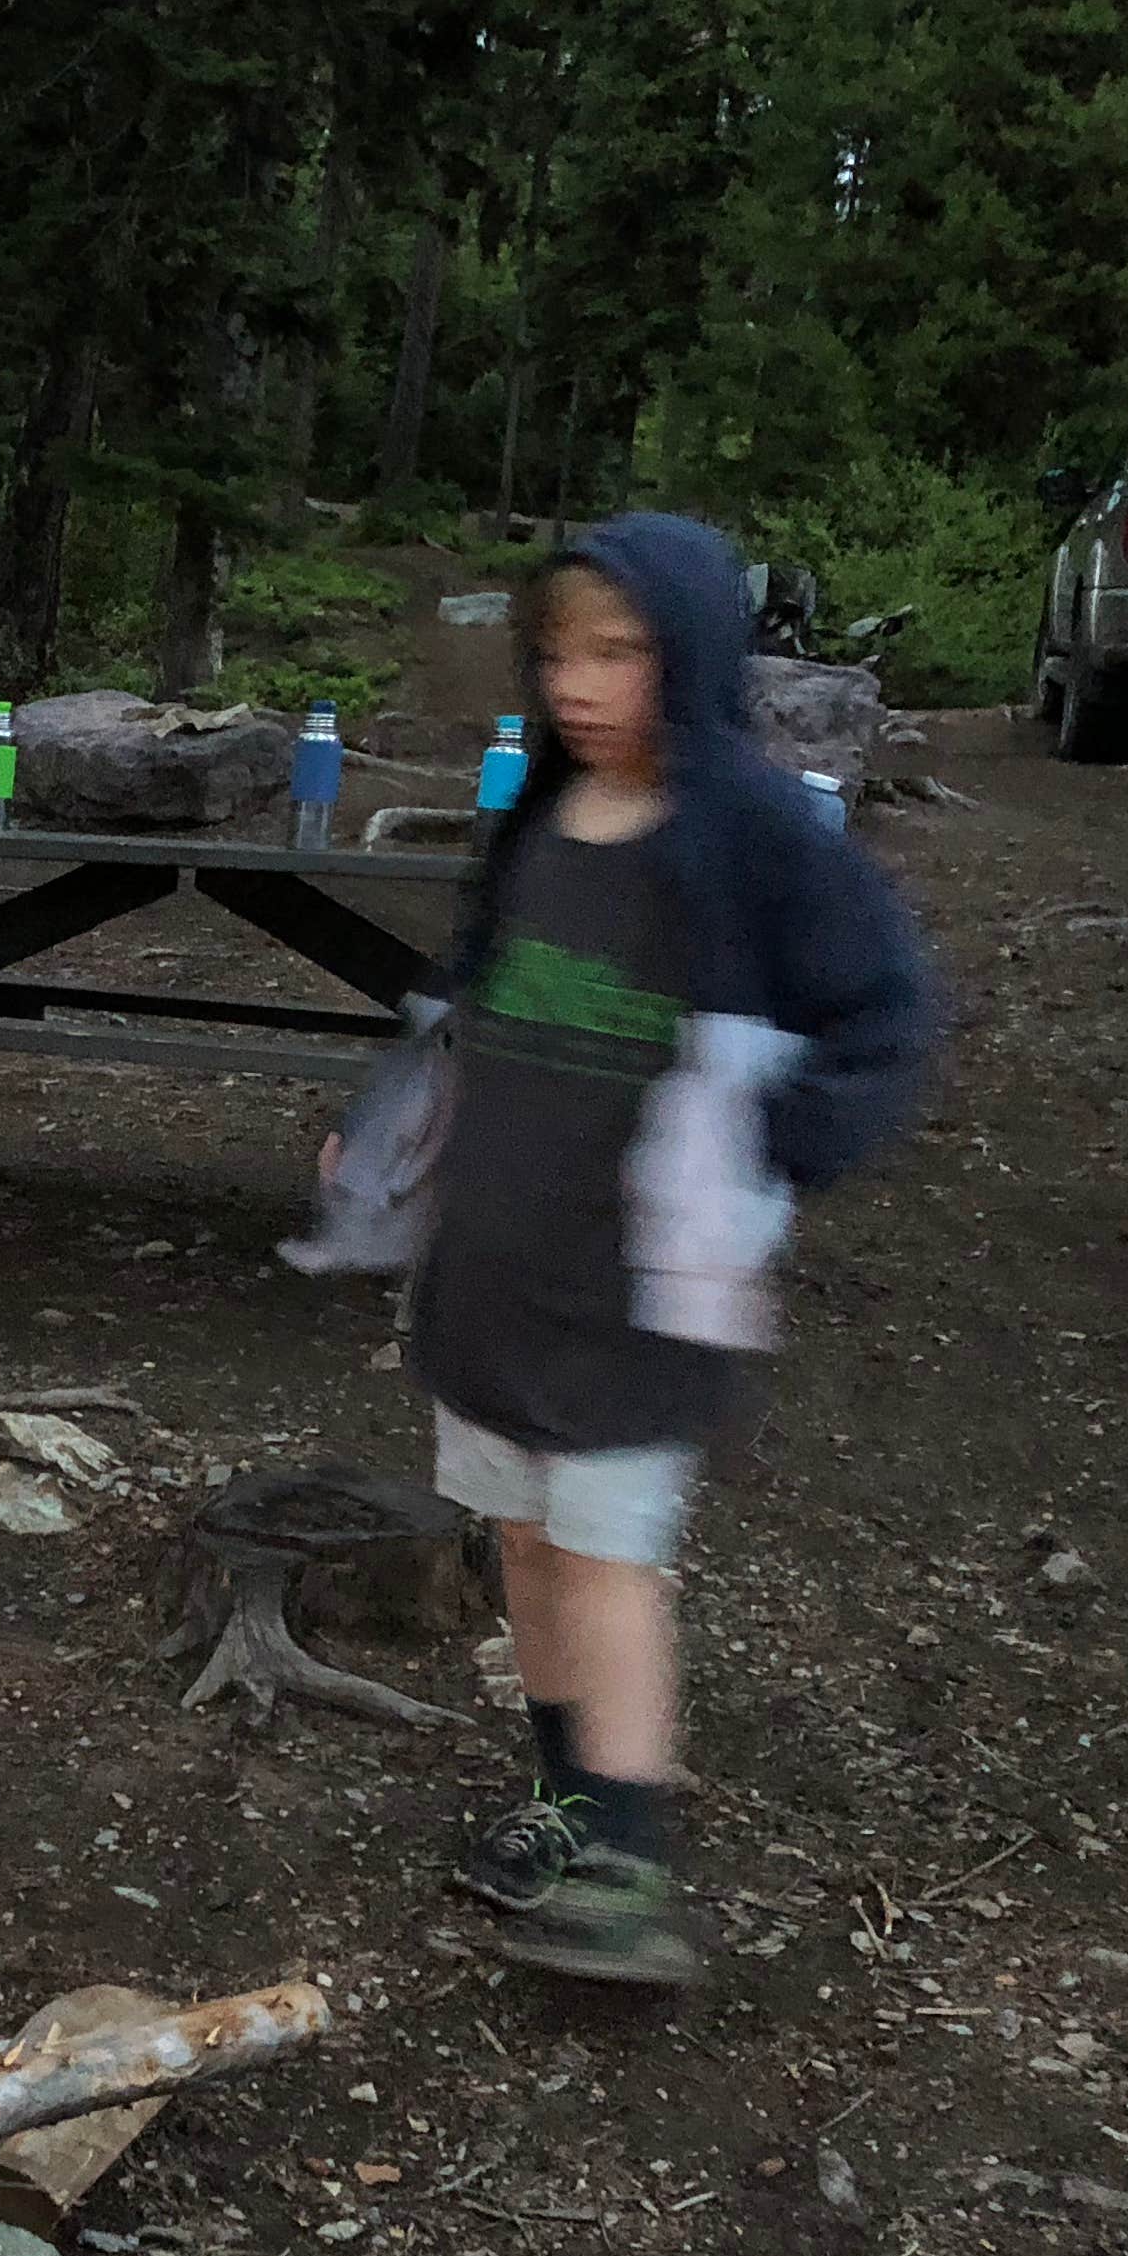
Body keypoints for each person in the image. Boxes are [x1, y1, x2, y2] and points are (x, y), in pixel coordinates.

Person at [393, 512, 938, 1987]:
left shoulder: (751, 831)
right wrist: (400, 1128)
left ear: (687, 656)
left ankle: (632, 1864)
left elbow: (884, 1014)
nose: (580, 682)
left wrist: (775, 1143)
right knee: (521, 1539)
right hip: (500, 1276)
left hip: (645, 1293)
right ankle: (567, 1802)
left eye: (618, 650)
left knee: (610, 1560)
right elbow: (474, 995)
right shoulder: (538, 820)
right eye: (560, 650)